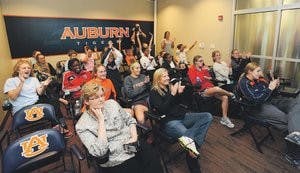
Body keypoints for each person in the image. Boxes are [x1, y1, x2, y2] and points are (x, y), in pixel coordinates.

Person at [76, 82, 163, 173]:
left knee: (154, 159)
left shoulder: (112, 104)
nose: (101, 99)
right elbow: (100, 152)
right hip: (115, 158)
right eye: (96, 98)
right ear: (86, 101)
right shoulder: (82, 125)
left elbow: (130, 120)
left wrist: (134, 137)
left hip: (132, 144)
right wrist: (101, 120)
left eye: (102, 95)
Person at [149, 68, 213, 173]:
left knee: (207, 116)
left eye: (167, 75)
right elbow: (163, 109)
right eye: (164, 76)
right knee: (190, 142)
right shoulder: (154, 92)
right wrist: (173, 94)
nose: (168, 78)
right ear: (158, 79)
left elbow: (179, 104)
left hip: (182, 116)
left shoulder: (169, 87)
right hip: (169, 122)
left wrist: (179, 93)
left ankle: (192, 145)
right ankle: (194, 163)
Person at [3, 59, 72, 137]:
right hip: (21, 109)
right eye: (24, 68)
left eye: (28, 68)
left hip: (36, 104)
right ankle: (57, 126)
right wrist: (21, 82)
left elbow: (40, 92)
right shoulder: (11, 81)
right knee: (52, 102)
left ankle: (59, 126)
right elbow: (13, 97)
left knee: (54, 102)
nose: (27, 70)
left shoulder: (33, 79)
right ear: (18, 70)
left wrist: (44, 86)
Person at [235, 62, 300, 132]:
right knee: (287, 118)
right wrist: (270, 89)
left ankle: (294, 131)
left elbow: (270, 93)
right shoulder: (244, 83)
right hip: (257, 107)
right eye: (258, 71)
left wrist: (275, 87)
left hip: (270, 100)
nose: (260, 73)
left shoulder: (259, 79)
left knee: (296, 104)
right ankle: (295, 136)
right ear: (249, 71)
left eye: (260, 70)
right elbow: (255, 100)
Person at [188, 55, 235, 128]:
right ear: (195, 62)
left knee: (225, 97)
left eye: (202, 61)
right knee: (217, 89)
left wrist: (208, 77)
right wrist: (201, 79)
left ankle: (224, 118)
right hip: (202, 91)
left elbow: (210, 79)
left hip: (210, 88)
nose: (202, 62)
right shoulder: (191, 70)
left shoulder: (204, 70)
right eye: (200, 61)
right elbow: (195, 83)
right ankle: (231, 94)